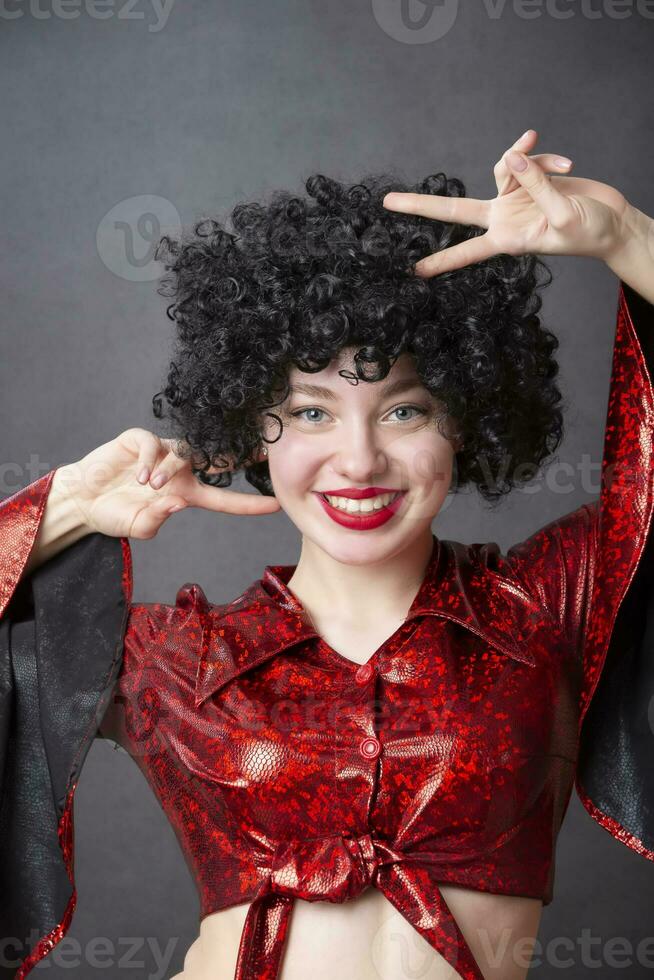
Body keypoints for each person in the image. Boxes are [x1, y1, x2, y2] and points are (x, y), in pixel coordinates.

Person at [1, 129, 653, 980]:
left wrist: (630, 239)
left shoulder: (549, 603)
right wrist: (66, 509)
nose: (357, 460)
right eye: (311, 413)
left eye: (403, 411)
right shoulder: (174, 660)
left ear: (468, 417)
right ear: (250, 428)